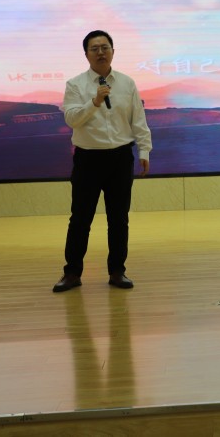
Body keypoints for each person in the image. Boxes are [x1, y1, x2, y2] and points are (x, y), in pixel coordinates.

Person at [53, 30, 153, 293]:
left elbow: (138, 119)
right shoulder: (75, 85)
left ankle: (117, 271)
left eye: (105, 47)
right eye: (94, 48)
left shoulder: (127, 83)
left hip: (120, 158)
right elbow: (72, 119)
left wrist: (144, 150)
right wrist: (95, 101)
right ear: (86, 54)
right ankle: (72, 273)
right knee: (80, 219)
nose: (100, 52)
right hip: (88, 159)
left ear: (113, 51)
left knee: (118, 219)